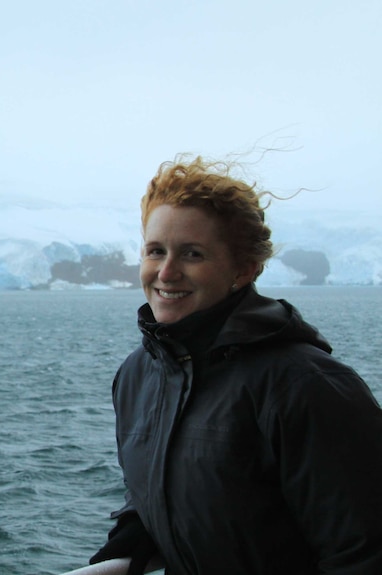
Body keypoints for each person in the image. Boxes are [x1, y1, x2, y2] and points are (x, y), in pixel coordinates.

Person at [88, 155, 382, 575]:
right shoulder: (140, 375)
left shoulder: (306, 385)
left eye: (192, 254)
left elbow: (365, 550)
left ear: (243, 269)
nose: (166, 272)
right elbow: (156, 490)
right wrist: (131, 539)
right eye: (156, 251)